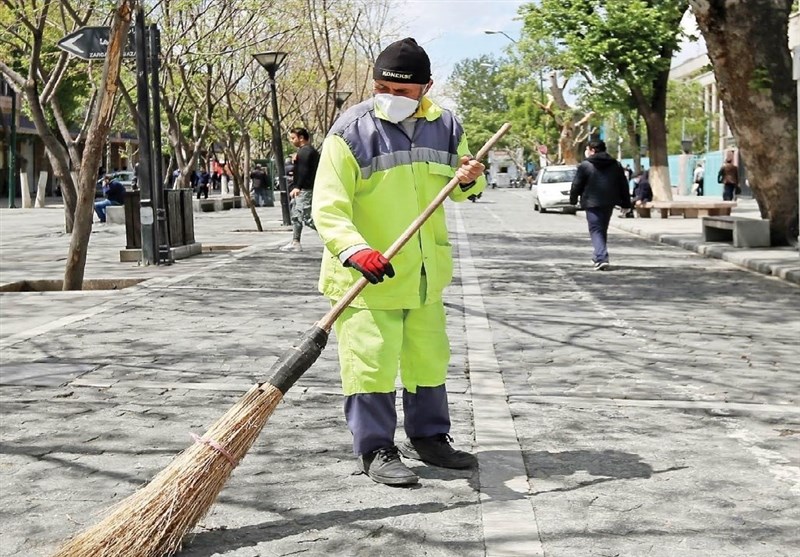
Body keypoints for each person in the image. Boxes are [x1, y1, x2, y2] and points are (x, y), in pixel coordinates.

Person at [311, 37, 486, 486]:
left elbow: (464, 190)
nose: (391, 97)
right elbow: (328, 207)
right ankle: (376, 449)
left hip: (426, 275)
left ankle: (430, 439)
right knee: (371, 364)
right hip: (370, 276)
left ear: (427, 87)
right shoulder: (349, 132)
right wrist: (355, 250)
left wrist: (469, 177)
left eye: (403, 91)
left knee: (429, 361)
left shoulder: (446, 127)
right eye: (383, 87)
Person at [570, 140, 632, 270]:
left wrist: (573, 199)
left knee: (596, 229)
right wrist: (626, 203)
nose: (586, 152)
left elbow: (576, 184)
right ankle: (597, 255)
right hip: (609, 202)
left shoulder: (586, 165)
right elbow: (623, 185)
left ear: (592, 150)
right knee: (601, 229)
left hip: (592, 202)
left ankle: (602, 257)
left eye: (587, 149)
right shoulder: (615, 164)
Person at [280, 128, 320, 252]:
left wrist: (298, 186)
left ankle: (333, 236)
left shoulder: (306, 152)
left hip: (306, 189)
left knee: (306, 217)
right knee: (296, 216)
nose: (292, 141)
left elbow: (304, 171)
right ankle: (295, 241)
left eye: (293, 138)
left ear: (301, 138)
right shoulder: (304, 151)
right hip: (303, 188)